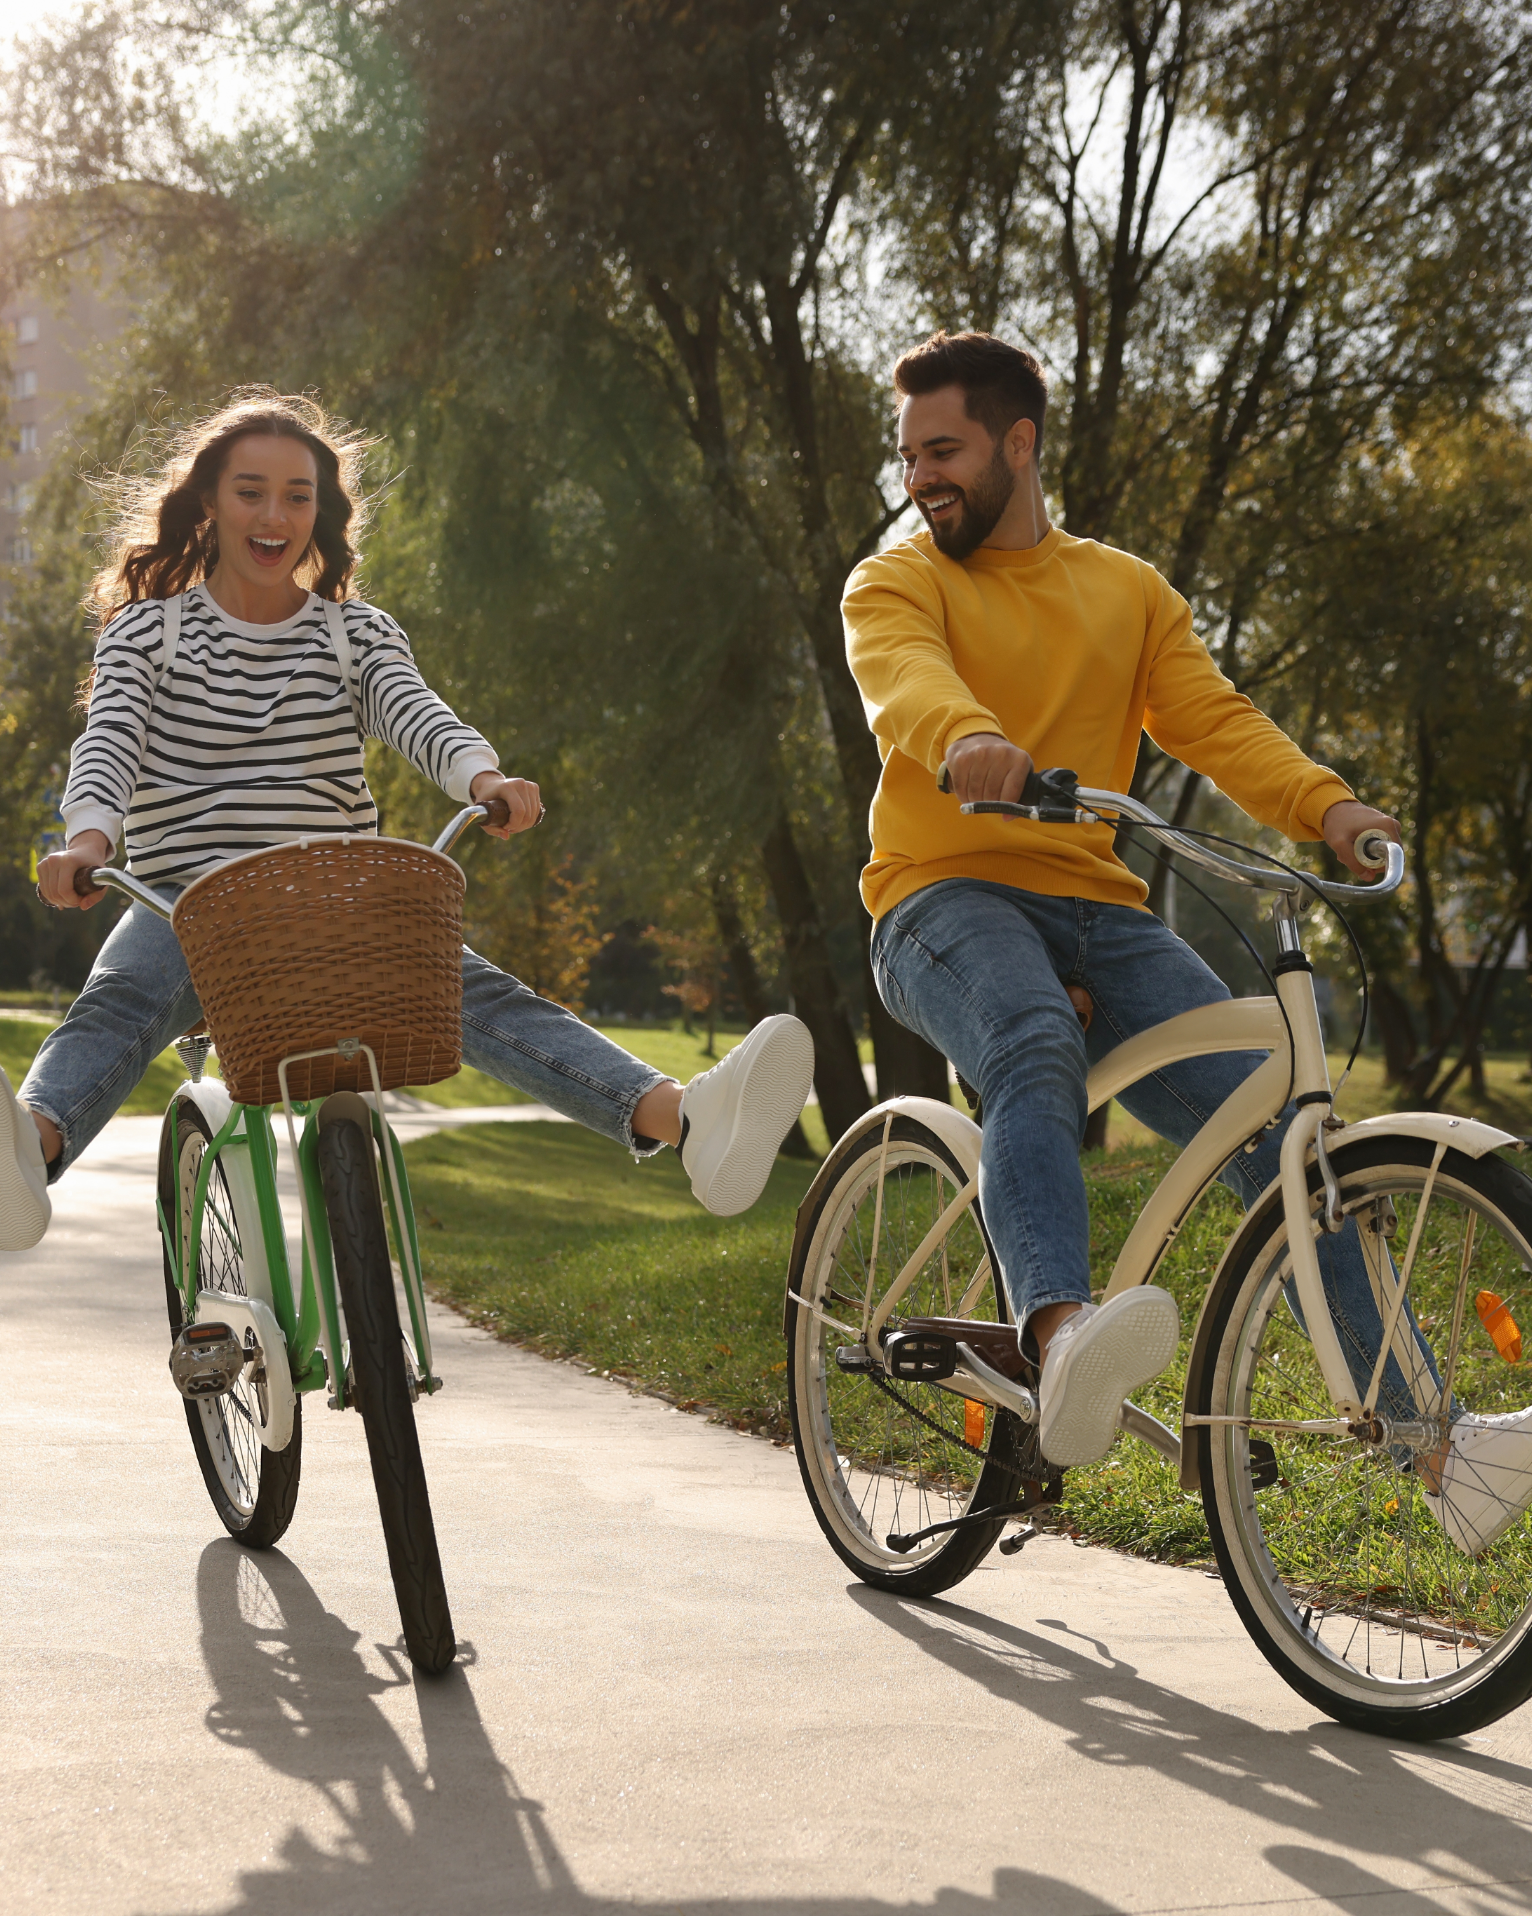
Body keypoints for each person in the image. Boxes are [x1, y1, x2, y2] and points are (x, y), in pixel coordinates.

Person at [844, 329, 1532, 1556]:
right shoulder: (896, 582)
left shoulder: (1125, 589)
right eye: (907, 456)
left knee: (1282, 1136)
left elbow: (1215, 721)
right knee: (1030, 1039)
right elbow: (899, 678)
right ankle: (1058, 1338)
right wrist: (963, 739)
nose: (919, 477)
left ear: (1017, 442)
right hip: (937, 895)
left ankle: (1440, 1444)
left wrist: (1329, 806)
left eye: (941, 450)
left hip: (1095, 904)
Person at [0, 390, 813, 1258]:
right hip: (186, 906)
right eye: (249, 491)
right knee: (122, 997)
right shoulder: (147, 634)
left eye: (298, 495)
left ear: (322, 512)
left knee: (479, 993)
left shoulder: (353, 635)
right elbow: (109, 743)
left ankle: (690, 1122)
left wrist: (486, 777)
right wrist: (88, 842)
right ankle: (27, 1147)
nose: (275, 515)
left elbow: (417, 714)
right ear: (207, 501)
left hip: (332, 898)